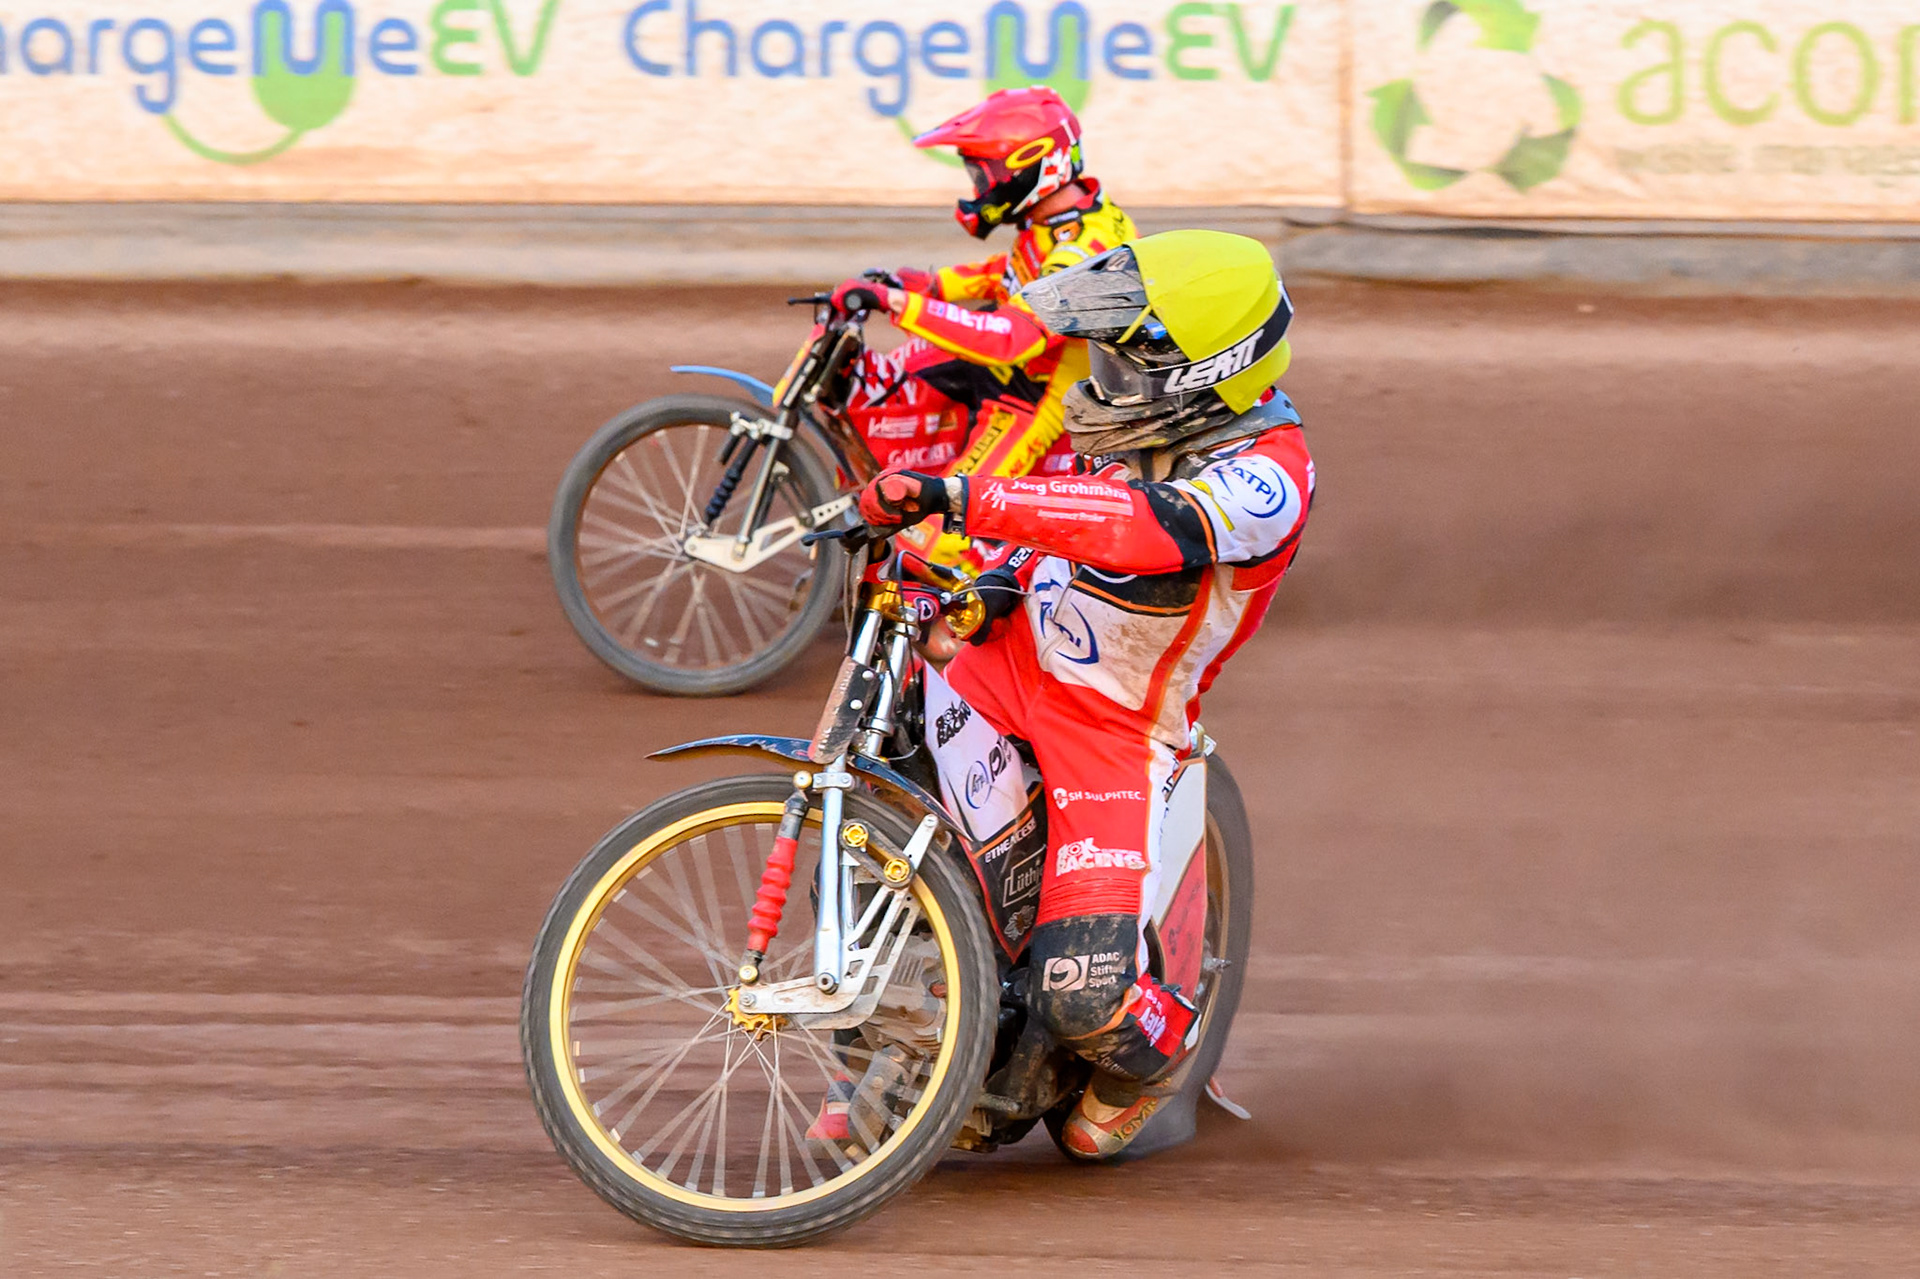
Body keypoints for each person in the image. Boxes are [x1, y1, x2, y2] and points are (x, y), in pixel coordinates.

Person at [855, 229, 1314, 1160]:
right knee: (880, 748)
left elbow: (1133, 527)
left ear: (1201, 375)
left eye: (1125, 362)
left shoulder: (1271, 475)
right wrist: (991, 583)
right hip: (1010, 660)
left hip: (1114, 723)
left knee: (1085, 1000)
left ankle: (1162, 1052)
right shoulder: (1135, 424)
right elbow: (1055, 531)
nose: (1103, 380)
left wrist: (962, 495)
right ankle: (893, 1018)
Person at [827, 84, 1138, 573]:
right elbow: (1010, 272)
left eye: (983, 174)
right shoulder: (1062, 218)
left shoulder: (1082, 249)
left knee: (947, 524)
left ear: (1029, 165)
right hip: (1021, 371)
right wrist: (930, 283)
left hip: (1037, 396)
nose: (979, 190)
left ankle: (959, 604)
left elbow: (1009, 340)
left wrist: (899, 302)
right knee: (896, 382)